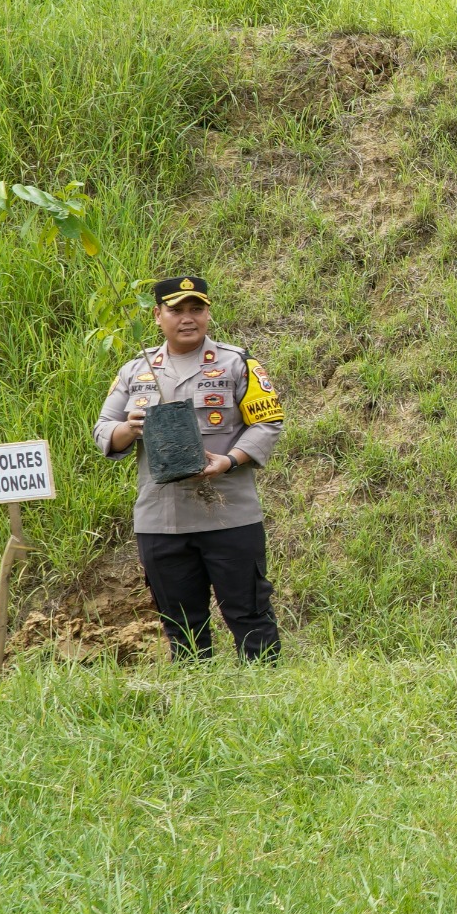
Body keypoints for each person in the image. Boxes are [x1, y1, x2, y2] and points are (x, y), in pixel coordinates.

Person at [94, 275, 288, 659]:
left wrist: (230, 460)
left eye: (196, 309)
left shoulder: (238, 364)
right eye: (176, 310)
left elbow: (267, 423)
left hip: (229, 514)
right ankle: (195, 703)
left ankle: (266, 697)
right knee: (181, 626)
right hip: (161, 520)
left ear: (208, 313)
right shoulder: (137, 371)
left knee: (249, 614)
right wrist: (128, 429)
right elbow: (103, 429)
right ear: (157, 315)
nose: (187, 318)